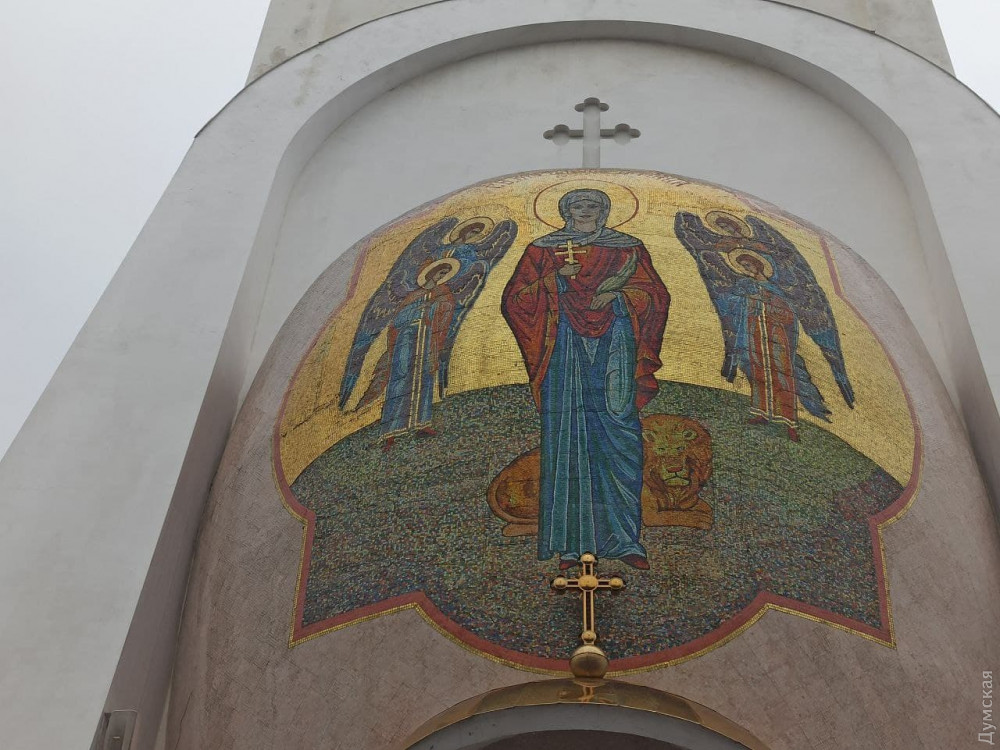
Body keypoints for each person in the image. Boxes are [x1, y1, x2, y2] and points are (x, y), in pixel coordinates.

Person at [501, 189, 669, 570]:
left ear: (604, 211)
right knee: (569, 437)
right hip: (565, 352)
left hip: (616, 346)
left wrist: (619, 298)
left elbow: (656, 297)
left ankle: (625, 539)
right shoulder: (543, 251)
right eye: (578, 206)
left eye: (593, 205)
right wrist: (555, 280)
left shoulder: (628, 249)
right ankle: (569, 545)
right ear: (566, 211)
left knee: (620, 434)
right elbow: (515, 300)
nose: (586, 211)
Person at [379, 259, 458, 450]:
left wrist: (434, 308)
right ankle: (391, 432)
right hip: (406, 340)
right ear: (430, 273)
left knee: (424, 378)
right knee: (401, 378)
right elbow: (397, 321)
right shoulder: (413, 296)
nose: (440, 277)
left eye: (443, 274)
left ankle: (422, 423)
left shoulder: (442, 294)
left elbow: (446, 314)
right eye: (439, 273)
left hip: (427, 338)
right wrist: (417, 310)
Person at [723, 251, 801, 442]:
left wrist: (767, 302)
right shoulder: (748, 288)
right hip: (755, 336)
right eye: (743, 267)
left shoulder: (774, 290)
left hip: (776, 337)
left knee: (782, 375)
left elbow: (788, 316)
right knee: (758, 372)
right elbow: (736, 308)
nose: (746, 270)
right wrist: (745, 300)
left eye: (748, 266)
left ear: (758, 266)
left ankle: (789, 423)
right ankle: (761, 413)